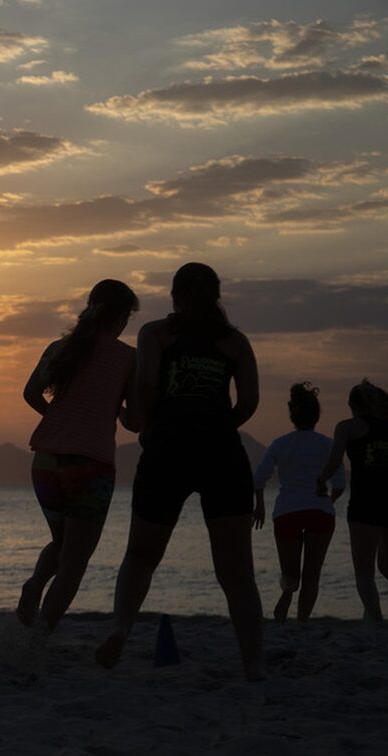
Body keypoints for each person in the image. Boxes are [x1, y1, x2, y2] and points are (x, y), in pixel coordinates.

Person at [96, 262, 265, 681]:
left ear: (176, 297)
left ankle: (120, 628)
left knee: (140, 555)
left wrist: (152, 426)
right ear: (216, 295)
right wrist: (220, 425)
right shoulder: (235, 342)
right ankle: (254, 664)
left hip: (167, 449)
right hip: (222, 452)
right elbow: (249, 402)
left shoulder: (155, 333)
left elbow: (148, 385)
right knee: (237, 573)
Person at [17, 280, 140, 633]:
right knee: (74, 562)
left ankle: (34, 585)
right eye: (127, 318)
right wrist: (114, 412)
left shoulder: (60, 347)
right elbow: (134, 421)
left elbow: (30, 393)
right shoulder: (127, 358)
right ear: (119, 317)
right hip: (89, 466)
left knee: (62, 542)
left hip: (44, 463)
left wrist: (61, 420)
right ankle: (39, 639)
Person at [318, 379, 388, 621]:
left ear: (353, 405)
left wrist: (320, 481)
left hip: (366, 502)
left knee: (364, 572)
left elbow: (334, 461)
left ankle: (375, 621)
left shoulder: (347, 427)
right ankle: (373, 618)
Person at [251, 383, 344, 622]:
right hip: (319, 512)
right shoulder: (327, 444)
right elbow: (341, 483)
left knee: (290, 572)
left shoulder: (280, 444)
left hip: (287, 512)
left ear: (293, 415)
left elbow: (259, 478)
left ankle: (286, 594)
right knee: (312, 575)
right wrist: (328, 502)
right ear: (316, 416)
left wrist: (259, 505)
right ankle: (303, 621)